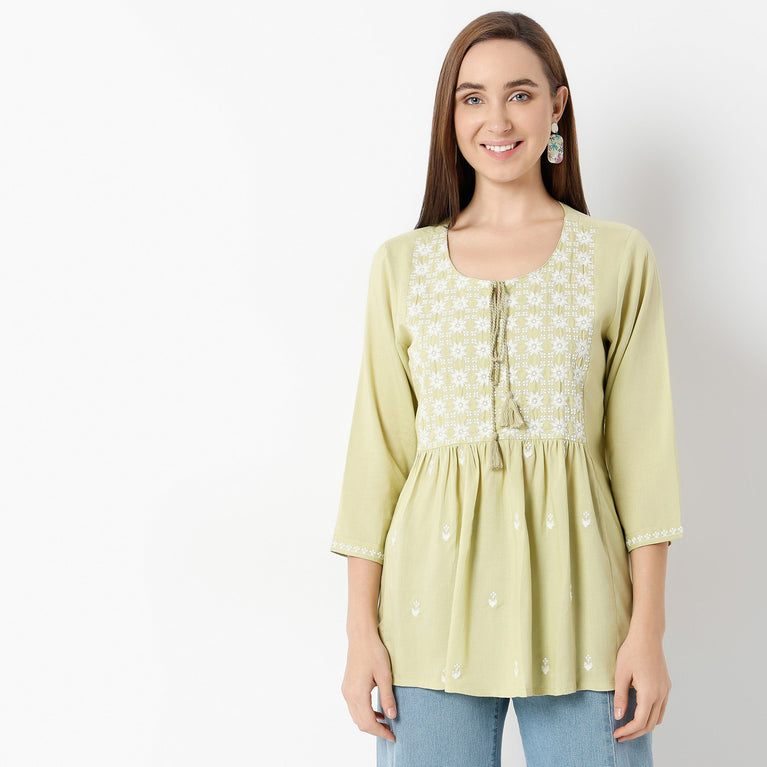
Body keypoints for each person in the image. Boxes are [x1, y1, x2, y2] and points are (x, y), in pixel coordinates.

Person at [329, 10, 684, 767]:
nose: (496, 119)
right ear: (450, 115)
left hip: (587, 613)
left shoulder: (617, 257)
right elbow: (377, 457)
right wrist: (361, 633)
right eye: (473, 98)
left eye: (519, 94)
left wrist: (647, 630)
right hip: (425, 614)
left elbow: (644, 461)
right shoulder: (401, 265)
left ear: (556, 107)